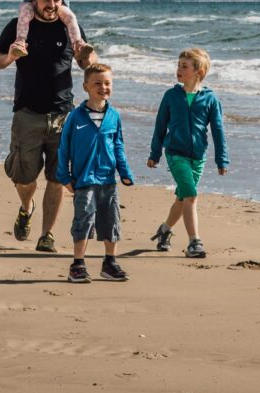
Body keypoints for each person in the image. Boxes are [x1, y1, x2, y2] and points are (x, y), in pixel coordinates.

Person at [0, 0, 97, 252]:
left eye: (56, 0)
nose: (51, 5)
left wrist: (88, 57)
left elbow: (86, 63)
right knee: (24, 179)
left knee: (58, 177)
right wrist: (10, 56)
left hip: (63, 114)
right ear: (34, 0)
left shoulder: (70, 26)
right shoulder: (18, 26)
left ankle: (46, 235)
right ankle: (27, 206)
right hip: (27, 113)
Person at [55, 63, 134, 283]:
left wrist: (124, 172)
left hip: (108, 178)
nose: (103, 87)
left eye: (107, 83)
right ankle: (77, 265)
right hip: (84, 179)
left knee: (111, 220)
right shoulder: (76, 117)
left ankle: (110, 263)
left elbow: (118, 146)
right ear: (86, 87)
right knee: (84, 219)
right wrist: (64, 176)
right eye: (97, 83)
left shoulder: (113, 116)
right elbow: (64, 148)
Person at [146, 47, 228, 259]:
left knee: (182, 199)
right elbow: (160, 126)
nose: (179, 69)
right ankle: (194, 242)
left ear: (198, 71)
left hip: (198, 156)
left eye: (184, 66)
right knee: (191, 195)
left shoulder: (210, 99)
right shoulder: (171, 96)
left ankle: (164, 230)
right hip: (175, 153)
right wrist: (155, 153)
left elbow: (218, 131)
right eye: (178, 65)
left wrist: (222, 158)